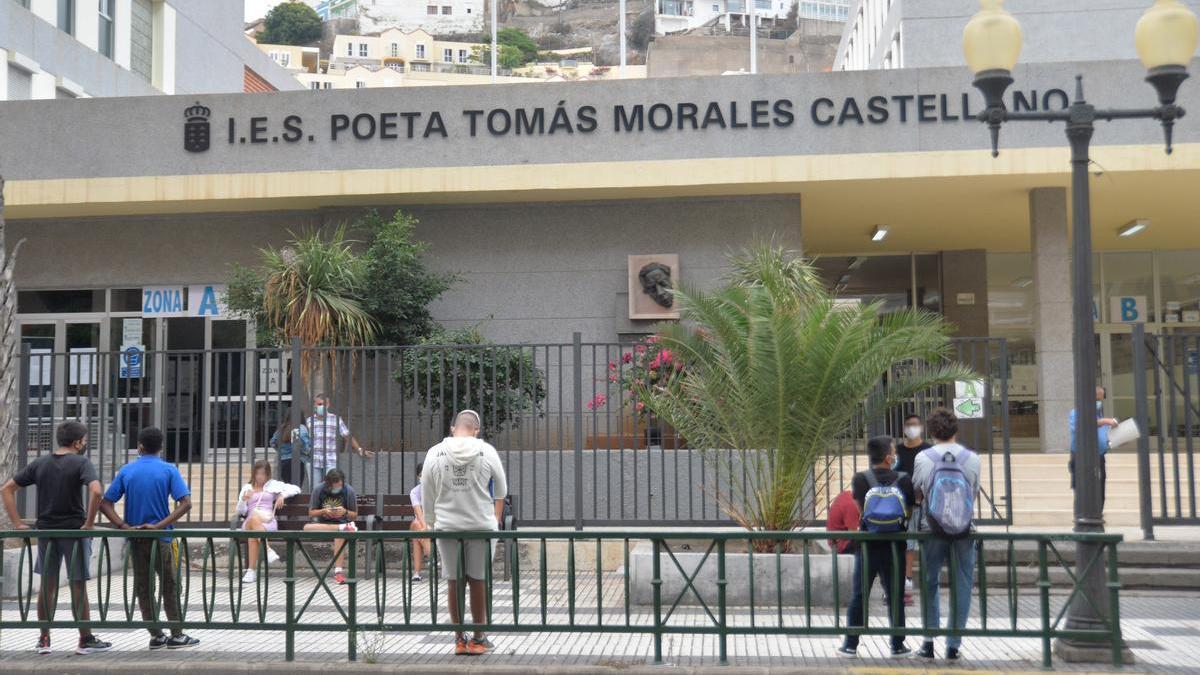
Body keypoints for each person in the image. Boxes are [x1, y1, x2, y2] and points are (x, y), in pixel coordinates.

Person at [0, 420, 111, 656]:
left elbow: (6, 489)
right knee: (78, 585)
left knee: (47, 587)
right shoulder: (81, 463)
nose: (84, 444)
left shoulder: (40, 463)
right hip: (73, 531)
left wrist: (18, 523)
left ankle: (44, 639)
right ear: (77, 442)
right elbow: (97, 491)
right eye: (84, 440)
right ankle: (85, 639)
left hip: (46, 532)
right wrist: (89, 523)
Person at [99, 427, 200, 650]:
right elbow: (186, 503)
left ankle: (156, 634)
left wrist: (123, 526)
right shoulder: (168, 470)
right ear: (161, 447)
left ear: (140, 446)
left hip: (136, 538)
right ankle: (177, 634)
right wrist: (160, 525)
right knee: (170, 585)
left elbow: (105, 503)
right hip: (161, 539)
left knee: (143, 587)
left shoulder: (127, 471)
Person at [423, 409, 508, 656]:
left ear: (453, 428)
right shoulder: (487, 451)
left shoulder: (434, 453)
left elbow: (427, 490)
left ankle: (459, 639)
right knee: (478, 581)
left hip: (447, 526)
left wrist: (431, 522)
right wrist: (495, 519)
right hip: (480, 526)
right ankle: (479, 638)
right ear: (476, 430)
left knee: (454, 580)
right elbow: (501, 489)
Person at [838, 436, 916, 658]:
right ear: (889, 457)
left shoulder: (860, 479)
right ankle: (897, 644)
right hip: (895, 545)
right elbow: (908, 509)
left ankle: (850, 644)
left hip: (867, 544)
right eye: (893, 450)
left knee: (860, 593)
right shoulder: (903, 479)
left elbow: (859, 508)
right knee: (895, 594)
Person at [912, 409, 981, 662]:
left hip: (932, 528)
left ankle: (929, 641)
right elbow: (971, 493)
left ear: (931, 432)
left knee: (930, 582)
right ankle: (954, 645)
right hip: (964, 529)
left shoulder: (923, 457)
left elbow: (918, 493)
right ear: (956, 430)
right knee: (962, 584)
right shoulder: (972, 458)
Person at [236, 459, 301, 584]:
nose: (260, 476)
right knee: (253, 520)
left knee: (253, 535)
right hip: (249, 521)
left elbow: (296, 488)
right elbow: (240, 511)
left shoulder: (273, 485)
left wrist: (282, 495)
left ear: (268, 474)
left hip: (267, 522)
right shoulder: (247, 488)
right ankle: (267, 549)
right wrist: (243, 500)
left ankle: (251, 571)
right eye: (258, 473)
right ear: (253, 473)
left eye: (263, 474)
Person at [896, 413, 932, 606]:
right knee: (908, 544)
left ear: (922, 428)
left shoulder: (928, 450)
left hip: (925, 502)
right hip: (904, 504)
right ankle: (907, 581)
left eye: (915, 425)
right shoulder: (898, 450)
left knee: (926, 542)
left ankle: (927, 581)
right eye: (908, 424)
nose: (911, 428)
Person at [303, 468, 359, 585]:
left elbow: (354, 515)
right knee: (306, 528)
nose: (338, 487)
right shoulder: (319, 489)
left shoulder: (348, 491)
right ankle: (343, 528)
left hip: (341, 522)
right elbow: (311, 513)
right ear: (328, 484)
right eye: (335, 486)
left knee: (340, 534)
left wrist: (344, 512)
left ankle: (338, 572)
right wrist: (323, 511)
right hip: (324, 525)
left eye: (340, 485)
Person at [306, 393, 373, 489]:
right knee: (315, 489)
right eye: (320, 404)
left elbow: (347, 436)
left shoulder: (335, 419)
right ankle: (317, 504)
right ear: (315, 405)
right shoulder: (309, 421)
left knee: (332, 487)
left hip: (330, 460)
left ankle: (331, 504)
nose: (322, 407)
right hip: (313, 460)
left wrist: (359, 449)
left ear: (328, 405)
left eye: (325, 404)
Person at [1068, 386, 1118, 508]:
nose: (1099, 403)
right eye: (1096, 399)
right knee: (1082, 488)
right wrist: (1105, 421)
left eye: (1100, 399)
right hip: (1081, 456)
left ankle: (1098, 513)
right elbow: (1084, 424)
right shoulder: (1076, 413)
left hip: (1099, 455)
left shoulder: (1099, 415)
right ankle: (1082, 514)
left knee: (1100, 486)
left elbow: (1103, 435)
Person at [269, 408, 311, 489]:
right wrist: (307, 453)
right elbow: (304, 445)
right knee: (296, 489)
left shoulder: (282, 428)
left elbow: (273, 442)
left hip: (283, 462)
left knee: (287, 489)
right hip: (297, 462)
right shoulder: (300, 428)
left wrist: (282, 451)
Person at [409, 462, 432, 582]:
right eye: (421, 475)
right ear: (418, 477)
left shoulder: (437, 489)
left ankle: (417, 573)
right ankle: (432, 557)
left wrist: (427, 527)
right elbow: (418, 512)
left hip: (436, 524)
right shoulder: (415, 492)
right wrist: (425, 527)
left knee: (416, 533)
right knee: (417, 525)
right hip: (422, 525)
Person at [826, 489, 860, 555]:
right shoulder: (851, 505)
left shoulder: (848, 495)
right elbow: (853, 534)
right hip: (841, 544)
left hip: (835, 541)